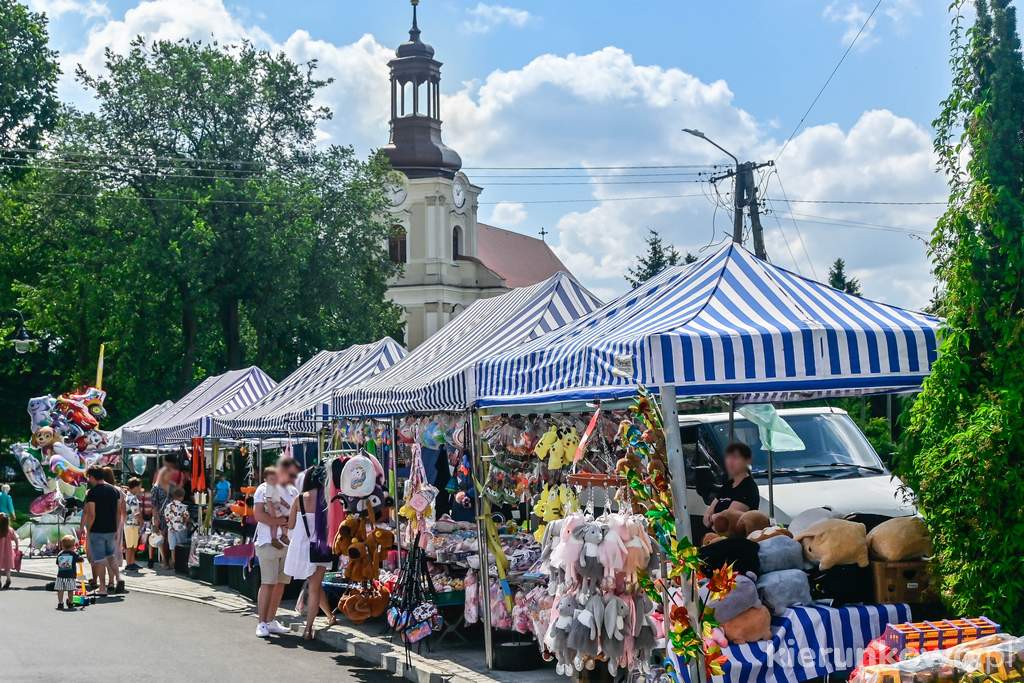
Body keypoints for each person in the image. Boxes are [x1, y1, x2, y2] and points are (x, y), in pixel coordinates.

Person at [284, 467, 336, 640]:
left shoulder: (299, 499)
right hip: (320, 549)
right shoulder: (328, 501)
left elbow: (290, 527)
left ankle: (311, 626)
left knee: (314, 586)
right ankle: (316, 624)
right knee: (315, 586)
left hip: (302, 549)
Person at [253, 456, 299, 638]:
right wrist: (279, 521)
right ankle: (262, 622)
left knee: (280, 584)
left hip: (288, 542)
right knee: (268, 583)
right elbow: (258, 515)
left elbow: (297, 512)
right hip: (267, 542)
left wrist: (289, 523)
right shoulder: (263, 489)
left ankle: (271, 620)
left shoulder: (293, 490)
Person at [80, 466, 122, 596]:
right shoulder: (114, 490)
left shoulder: (93, 492)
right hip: (111, 529)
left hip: (97, 530)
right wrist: (116, 528)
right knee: (111, 555)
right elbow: (118, 512)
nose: (89, 480)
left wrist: (89, 529)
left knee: (100, 559)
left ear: (92, 477)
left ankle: (102, 588)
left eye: (89, 478)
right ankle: (119, 579)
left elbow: (91, 513)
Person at [702, 442, 761, 530]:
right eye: (728, 457)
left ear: (747, 461)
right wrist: (714, 517)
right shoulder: (727, 486)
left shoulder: (748, 487)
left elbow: (728, 520)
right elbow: (706, 520)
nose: (730, 462)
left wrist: (714, 517)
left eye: (735, 457)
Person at [261, 467, 290, 549]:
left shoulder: (274, 487)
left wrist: (285, 504)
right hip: (272, 508)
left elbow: (279, 498)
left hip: (276, 508)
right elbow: (268, 500)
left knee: (281, 522)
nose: (273, 480)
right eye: (271, 479)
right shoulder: (269, 487)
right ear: (265, 480)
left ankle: (282, 536)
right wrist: (272, 511)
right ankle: (275, 539)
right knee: (276, 523)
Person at [54, 534, 84, 610]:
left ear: (62, 546)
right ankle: (70, 602)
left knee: (60, 590)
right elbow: (80, 559)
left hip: (60, 576)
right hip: (70, 576)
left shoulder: (60, 554)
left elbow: (57, 563)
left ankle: (60, 603)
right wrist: (80, 557)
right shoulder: (73, 554)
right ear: (73, 546)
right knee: (70, 590)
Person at [150, 466, 172, 569]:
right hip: (161, 516)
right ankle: (164, 560)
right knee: (161, 539)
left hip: (171, 516)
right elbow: (154, 505)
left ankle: (169, 560)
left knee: (169, 539)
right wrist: (156, 519)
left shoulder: (171, 486)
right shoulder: (156, 487)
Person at [164, 487, 190, 568]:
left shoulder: (168, 506)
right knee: (180, 546)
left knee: (172, 546)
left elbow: (166, 516)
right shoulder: (183, 506)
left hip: (171, 528)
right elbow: (187, 516)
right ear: (181, 497)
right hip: (180, 528)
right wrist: (185, 524)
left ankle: (173, 561)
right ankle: (180, 563)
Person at [123, 478, 144, 570]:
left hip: (128, 524)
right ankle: (129, 563)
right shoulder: (133, 498)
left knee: (131, 545)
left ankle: (131, 562)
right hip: (132, 524)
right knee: (130, 545)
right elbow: (136, 513)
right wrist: (142, 521)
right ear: (135, 487)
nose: (140, 489)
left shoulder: (128, 496)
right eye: (139, 487)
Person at [0, 512, 17, 590]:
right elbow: (16, 539)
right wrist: (17, 547)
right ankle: (8, 579)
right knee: (7, 567)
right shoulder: (9, 529)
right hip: (8, 551)